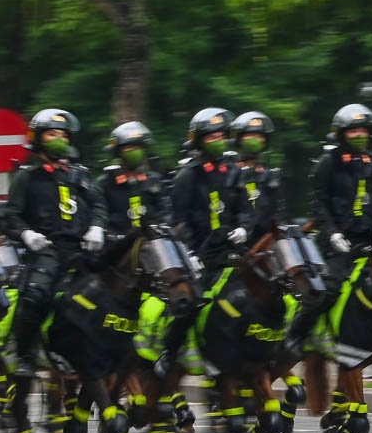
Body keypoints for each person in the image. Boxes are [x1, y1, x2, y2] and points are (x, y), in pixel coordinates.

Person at [0, 109, 107, 378]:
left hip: (80, 250)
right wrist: (26, 234)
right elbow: (11, 215)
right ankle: (25, 355)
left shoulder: (81, 176)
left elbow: (98, 206)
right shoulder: (27, 177)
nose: (59, 138)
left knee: (112, 292)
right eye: (52, 134)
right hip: (45, 250)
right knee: (35, 294)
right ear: (38, 139)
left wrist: (97, 227)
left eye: (63, 134)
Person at [281, 103, 372, 360]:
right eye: (353, 131)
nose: (359, 135)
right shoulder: (328, 163)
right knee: (326, 291)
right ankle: (297, 334)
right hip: (340, 241)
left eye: (363, 130)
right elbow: (319, 203)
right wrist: (333, 233)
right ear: (340, 135)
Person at [162, 107, 249, 375]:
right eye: (211, 137)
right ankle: (170, 352)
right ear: (199, 141)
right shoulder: (187, 175)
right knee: (191, 302)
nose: (218, 141)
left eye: (222, 136)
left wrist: (243, 227)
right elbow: (179, 220)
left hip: (231, 250)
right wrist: (189, 254)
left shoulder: (234, 172)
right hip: (198, 254)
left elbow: (243, 208)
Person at [97, 121, 172, 241]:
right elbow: (100, 213)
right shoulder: (106, 183)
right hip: (118, 247)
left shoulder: (154, 181)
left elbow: (165, 212)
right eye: (129, 148)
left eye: (138, 148)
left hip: (153, 245)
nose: (134, 152)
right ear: (118, 152)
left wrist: (162, 226)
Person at [232, 111, 284, 236]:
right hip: (236, 239)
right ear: (239, 139)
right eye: (250, 136)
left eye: (259, 136)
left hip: (264, 244)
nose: (255, 140)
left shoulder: (269, 175)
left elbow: (279, 211)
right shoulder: (230, 173)